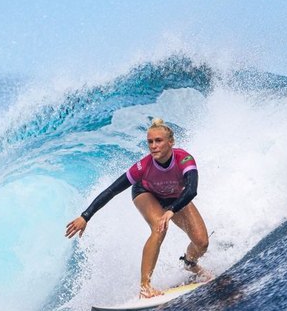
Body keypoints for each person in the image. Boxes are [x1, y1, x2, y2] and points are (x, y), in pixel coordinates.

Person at [65, 117, 210, 298]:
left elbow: (191, 190)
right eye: (150, 142)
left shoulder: (184, 159)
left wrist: (171, 210)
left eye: (158, 141)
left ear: (171, 142)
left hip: (176, 197)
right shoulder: (143, 167)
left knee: (202, 242)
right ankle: (145, 287)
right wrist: (85, 216)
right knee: (159, 227)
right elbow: (112, 190)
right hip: (146, 193)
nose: (153, 146)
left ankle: (190, 263)